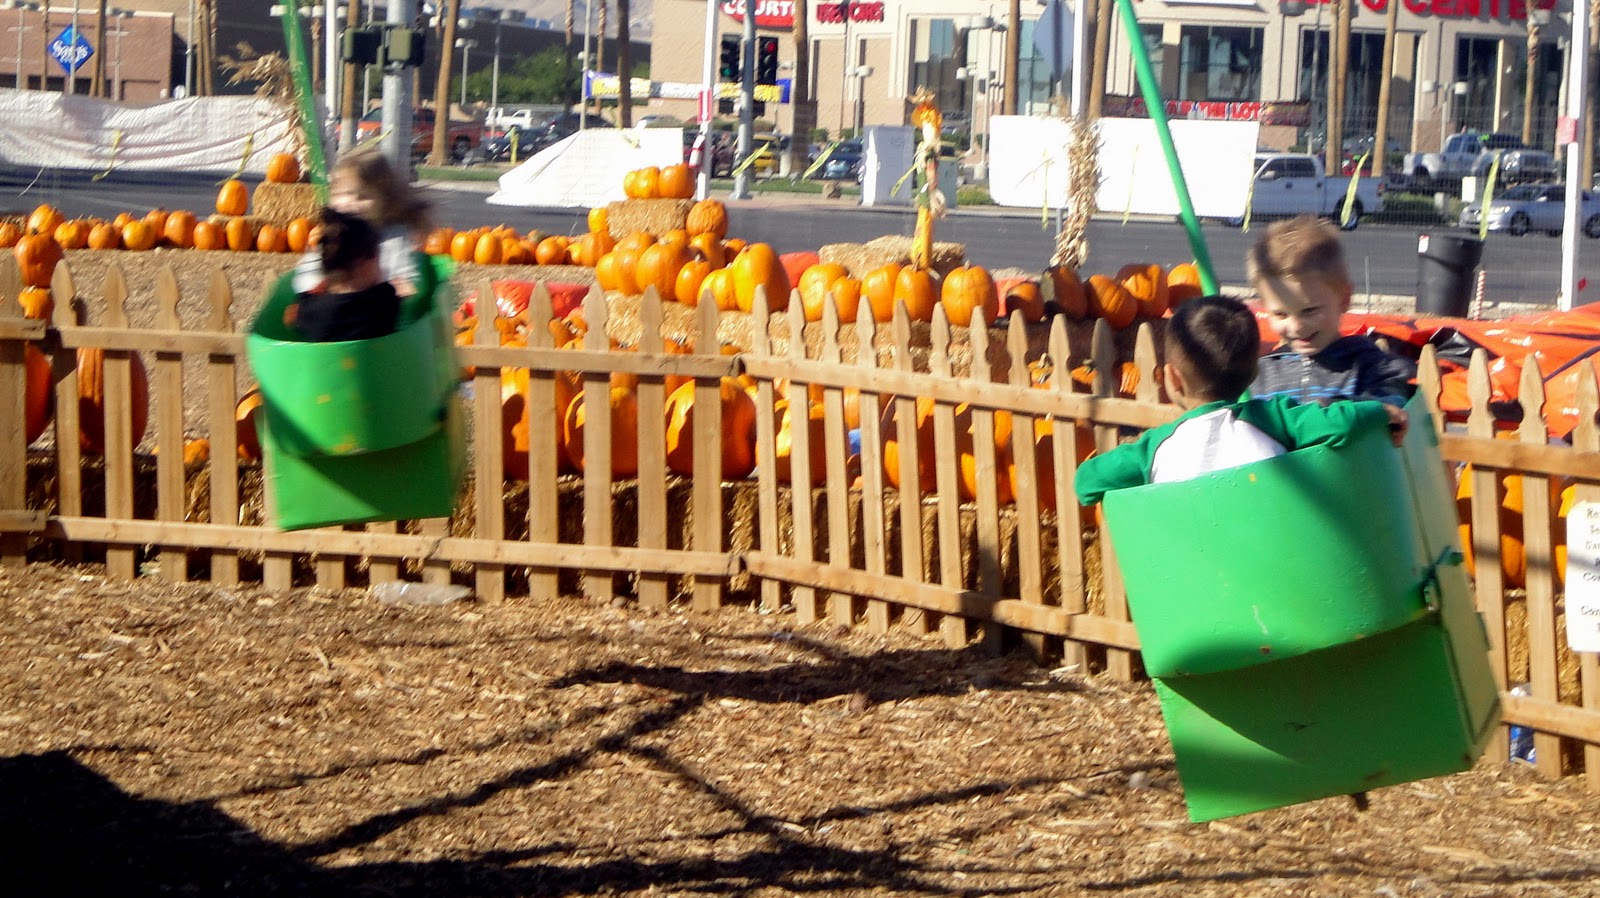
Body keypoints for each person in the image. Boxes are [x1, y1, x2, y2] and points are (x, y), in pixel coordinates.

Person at [1074, 295, 1406, 506]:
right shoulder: (1274, 420)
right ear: (1253, 375)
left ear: (1171, 378)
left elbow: (1086, 483)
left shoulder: (1155, 448)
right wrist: (1380, 411)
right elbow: (1339, 420)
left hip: (1200, 589)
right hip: (1272, 578)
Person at [1247, 215, 1416, 407]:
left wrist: (1335, 412)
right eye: (1281, 314)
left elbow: (1392, 409)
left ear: (1344, 299)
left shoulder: (1372, 368)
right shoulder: (1259, 376)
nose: (1296, 327)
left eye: (1309, 310)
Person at [295, 149, 433, 295]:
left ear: (385, 201)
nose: (348, 203)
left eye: (362, 197)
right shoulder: (334, 236)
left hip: (376, 309)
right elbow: (309, 270)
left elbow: (406, 277)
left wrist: (399, 290)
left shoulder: (394, 237)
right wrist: (313, 286)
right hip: (334, 307)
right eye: (339, 194)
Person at [287, 208, 400, 343]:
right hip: (376, 362)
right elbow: (401, 301)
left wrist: (322, 287)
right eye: (378, 259)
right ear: (363, 263)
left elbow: (290, 317)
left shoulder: (309, 310)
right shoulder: (384, 300)